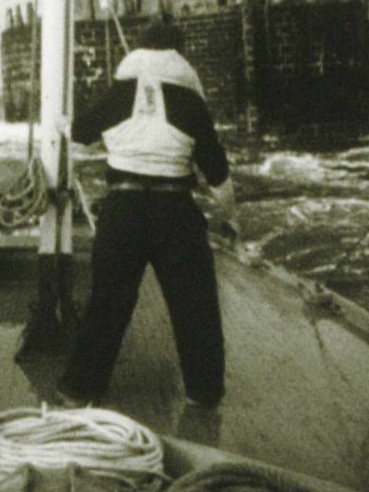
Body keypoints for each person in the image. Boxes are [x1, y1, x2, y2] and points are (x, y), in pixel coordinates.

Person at [55, 21, 237, 408]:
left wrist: (59, 122)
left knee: (108, 300)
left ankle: (79, 389)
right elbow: (218, 174)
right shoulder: (191, 101)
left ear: (139, 51)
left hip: (123, 208)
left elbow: (80, 131)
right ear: (178, 54)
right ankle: (204, 391)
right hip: (176, 211)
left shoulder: (119, 93)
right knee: (195, 303)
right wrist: (230, 216)